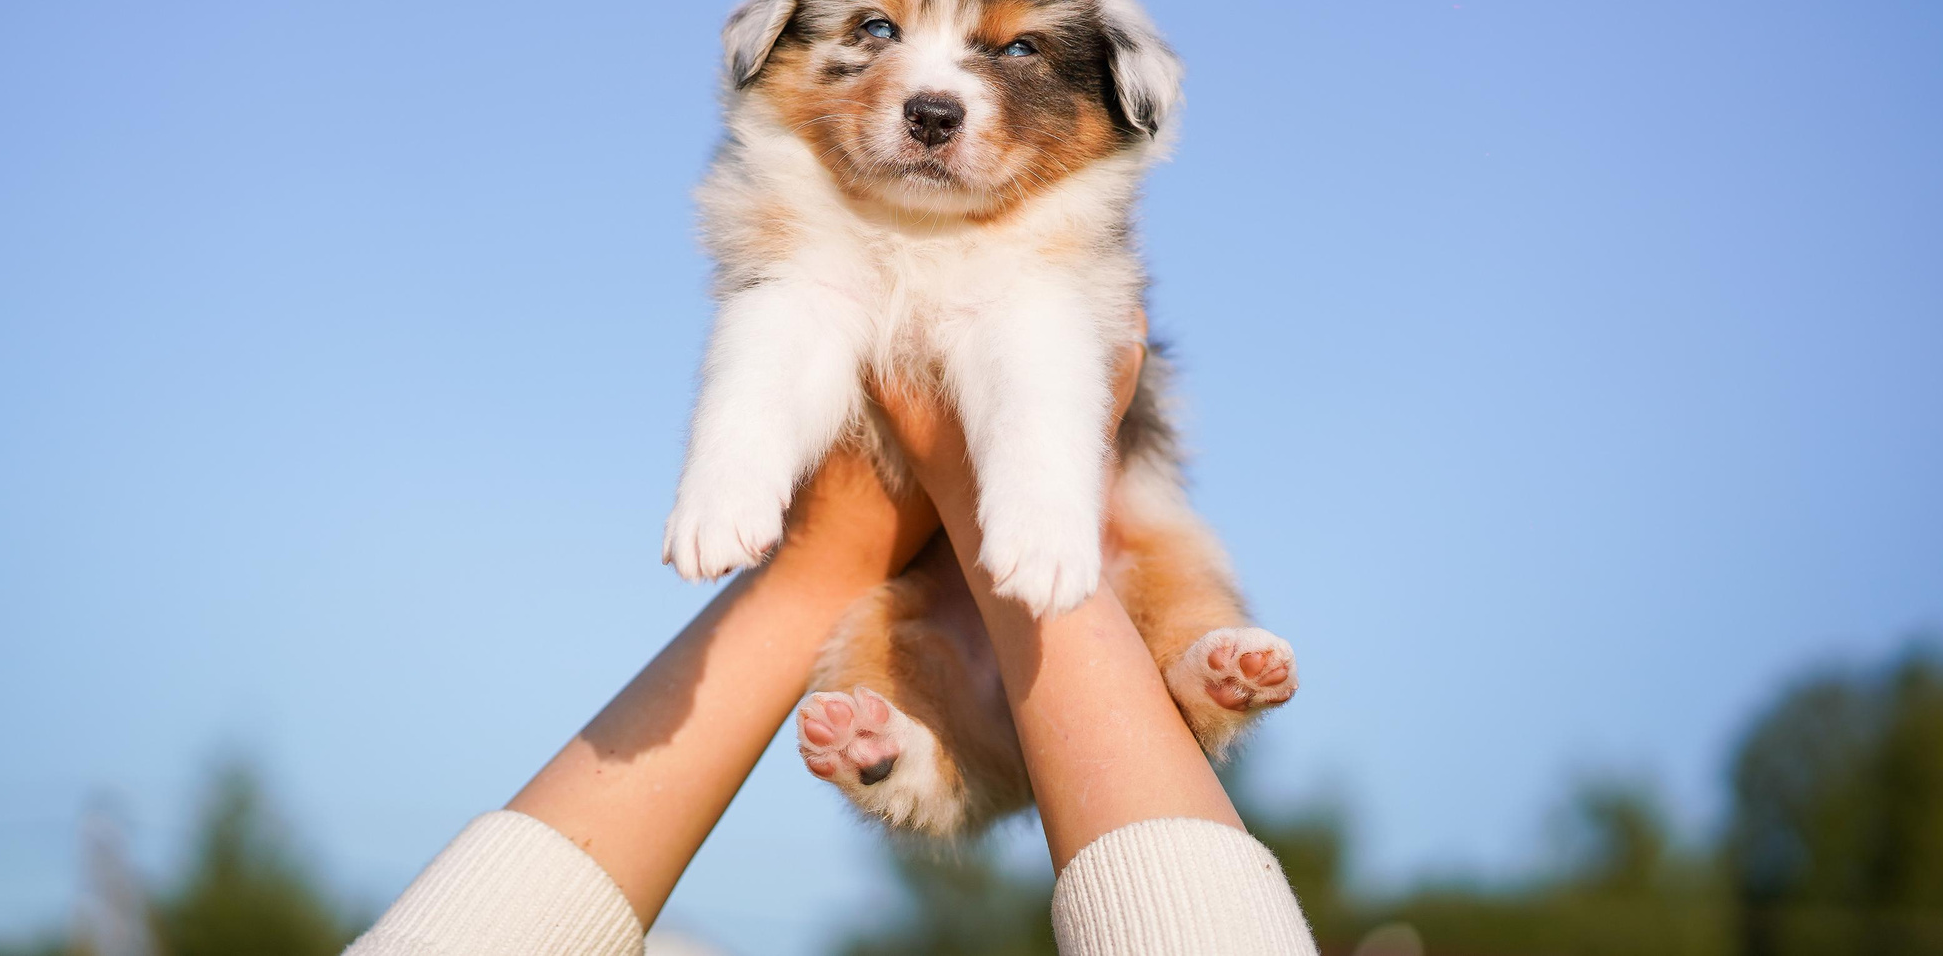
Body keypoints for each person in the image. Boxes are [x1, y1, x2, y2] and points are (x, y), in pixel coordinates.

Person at [347, 333, 1318, 955]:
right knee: (892, 646)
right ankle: (913, 759)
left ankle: (1187, 668)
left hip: (1079, 528)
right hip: (962, 574)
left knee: (1169, 571)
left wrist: (821, 558)